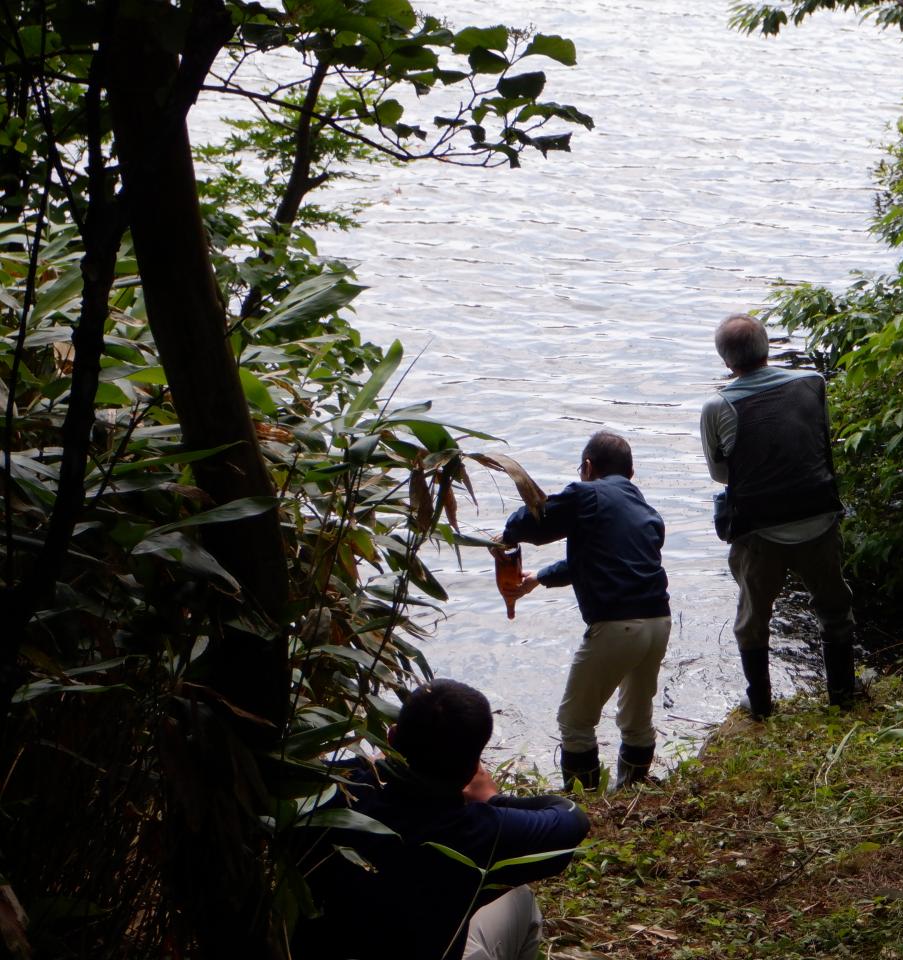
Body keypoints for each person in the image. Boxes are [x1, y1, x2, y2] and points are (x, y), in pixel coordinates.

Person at [291, 679, 591, 960]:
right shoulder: (480, 830)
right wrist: (493, 798)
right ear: (475, 764)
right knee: (521, 899)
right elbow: (571, 819)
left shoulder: (324, 792)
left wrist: (370, 768)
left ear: (391, 737)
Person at [700, 313, 861, 719]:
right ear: (767, 348)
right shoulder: (813, 384)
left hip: (760, 529)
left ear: (725, 361)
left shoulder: (718, 405)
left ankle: (760, 703)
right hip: (818, 516)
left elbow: (721, 473)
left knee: (753, 617)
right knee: (834, 607)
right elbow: (821, 439)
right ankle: (842, 691)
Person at [500, 430, 671, 791]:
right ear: (631, 473)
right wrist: (539, 578)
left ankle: (587, 801)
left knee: (574, 722)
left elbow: (530, 523)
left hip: (616, 626)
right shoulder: (645, 511)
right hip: (658, 621)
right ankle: (633, 790)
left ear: (588, 467)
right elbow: (599, 561)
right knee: (636, 716)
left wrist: (508, 534)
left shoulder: (586, 493)